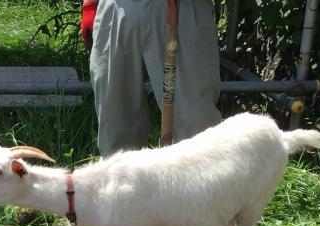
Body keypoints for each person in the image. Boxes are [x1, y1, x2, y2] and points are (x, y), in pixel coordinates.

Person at [84, 0, 222, 154]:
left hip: (181, 7)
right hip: (116, 8)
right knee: (116, 141)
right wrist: (89, 7)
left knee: (197, 134)